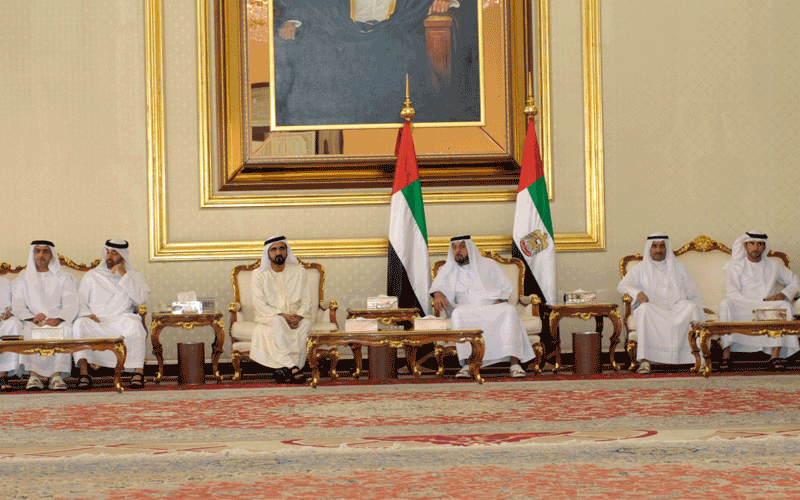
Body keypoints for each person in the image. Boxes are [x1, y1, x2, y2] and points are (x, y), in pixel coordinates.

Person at [273, 0, 479, 126]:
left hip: (393, 35)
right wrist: (293, 20)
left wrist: (443, 0)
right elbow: (311, 3)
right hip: (342, 38)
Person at [429, 235, 535, 378]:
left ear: (470, 247)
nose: (457, 251)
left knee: (509, 310)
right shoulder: (449, 268)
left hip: (490, 305)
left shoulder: (488, 264)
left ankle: (514, 364)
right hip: (466, 308)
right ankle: (467, 364)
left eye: (462, 246)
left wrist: (500, 299)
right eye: (454, 247)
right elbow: (437, 286)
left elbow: (505, 286)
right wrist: (438, 295)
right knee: (457, 314)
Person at [617, 234, 707, 374]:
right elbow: (623, 285)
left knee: (692, 307)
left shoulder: (679, 267)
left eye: (662, 246)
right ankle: (646, 360)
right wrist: (638, 293)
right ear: (649, 248)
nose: (658, 250)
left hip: (676, 309)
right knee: (643, 309)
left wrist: (701, 307)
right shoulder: (640, 268)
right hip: (654, 309)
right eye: (655, 246)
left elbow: (693, 291)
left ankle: (698, 359)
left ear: (666, 247)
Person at [72, 240, 150, 390]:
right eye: (108, 252)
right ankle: (83, 374)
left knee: (136, 326)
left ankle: (138, 373)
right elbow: (80, 302)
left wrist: (124, 275)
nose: (109, 257)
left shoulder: (134, 276)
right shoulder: (92, 276)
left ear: (123, 256)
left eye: (114, 253)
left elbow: (141, 299)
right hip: (98, 323)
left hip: (122, 320)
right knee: (79, 324)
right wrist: (87, 314)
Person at [718, 231, 800, 371]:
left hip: (764, 309)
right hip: (743, 306)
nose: (755, 247)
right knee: (725, 304)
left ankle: (775, 356)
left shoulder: (773, 265)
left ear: (764, 246)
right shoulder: (735, 266)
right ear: (745, 245)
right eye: (752, 243)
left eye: (760, 244)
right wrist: (753, 302)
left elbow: (795, 281)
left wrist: (782, 294)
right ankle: (726, 355)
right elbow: (732, 293)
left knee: (784, 305)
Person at [12, 240, 79, 391]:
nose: (41, 255)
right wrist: (31, 318)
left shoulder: (64, 277)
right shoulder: (23, 277)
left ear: (51, 255)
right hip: (32, 320)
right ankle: (33, 376)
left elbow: (71, 304)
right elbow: (17, 304)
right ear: (33, 254)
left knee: (66, 330)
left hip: (58, 319)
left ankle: (56, 376)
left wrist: (57, 319)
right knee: (27, 331)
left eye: (45, 251)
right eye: (38, 251)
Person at [250, 236, 313, 384]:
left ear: (287, 251)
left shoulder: (299, 271)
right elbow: (260, 305)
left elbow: (307, 300)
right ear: (268, 253)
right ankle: (293, 367)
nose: (278, 252)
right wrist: (282, 315)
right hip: (270, 315)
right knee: (278, 322)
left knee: (306, 325)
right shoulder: (258, 274)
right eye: (274, 249)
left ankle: (286, 370)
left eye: (282, 248)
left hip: (296, 316)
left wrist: (299, 316)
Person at [0, 276, 24, 392]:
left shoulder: (6, 282)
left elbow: (17, 302)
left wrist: (12, 312)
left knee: (15, 324)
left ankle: (3, 375)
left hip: (4, 318)